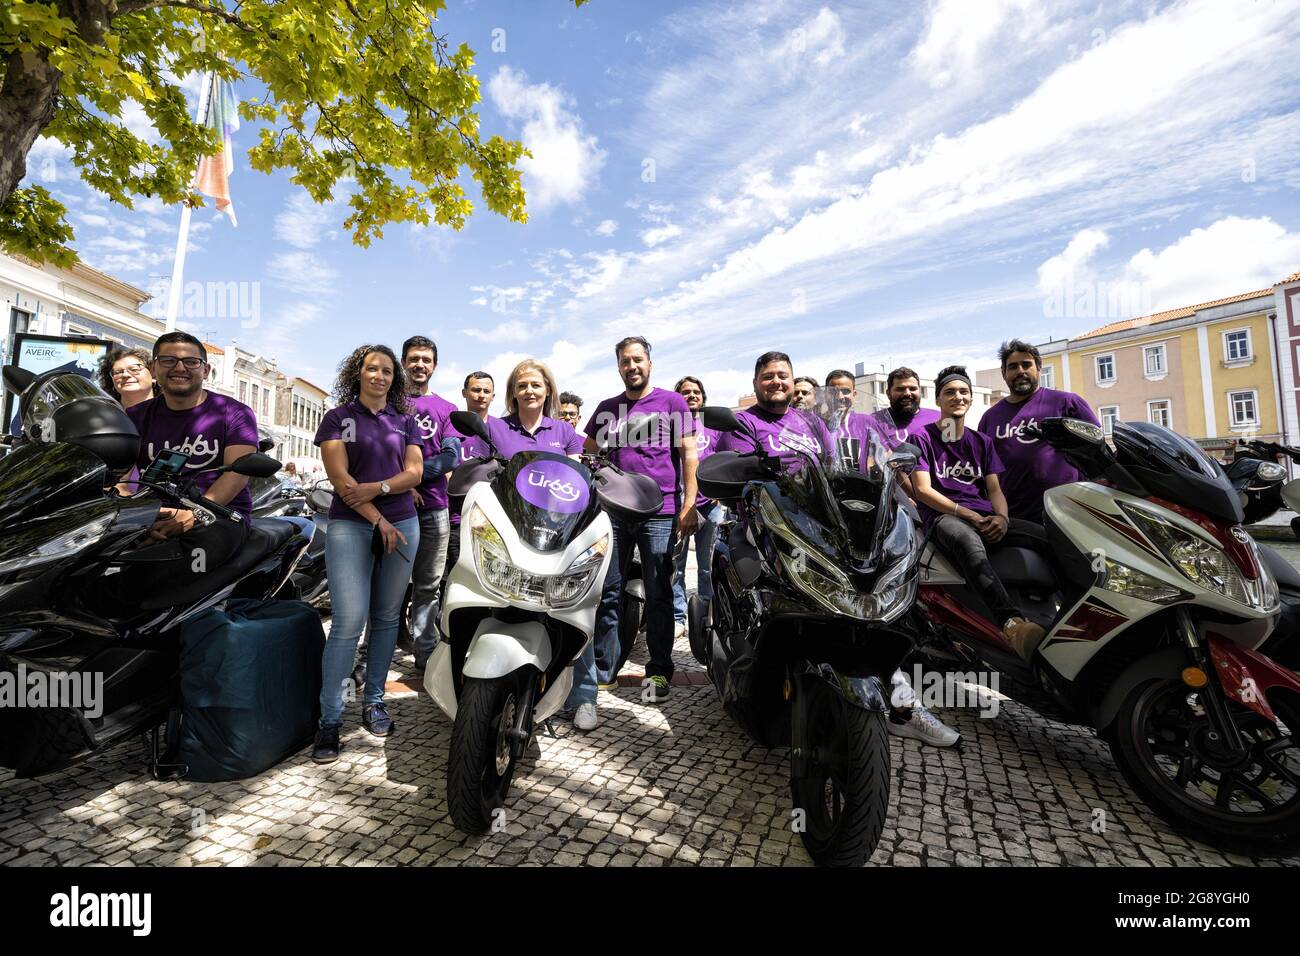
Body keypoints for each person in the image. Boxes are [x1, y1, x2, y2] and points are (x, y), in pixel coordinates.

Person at [311, 345, 424, 763]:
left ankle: (375, 701)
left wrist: (379, 488)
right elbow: (342, 482)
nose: (379, 376)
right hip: (352, 525)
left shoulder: (404, 421)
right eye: (371, 369)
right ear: (356, 373)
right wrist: (379, 519)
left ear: (395, 378)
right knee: (347, 622)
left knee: (386, 619)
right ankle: (329, 720)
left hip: (402, 525)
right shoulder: (338, 419)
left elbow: (415, 472)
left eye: (387, 371)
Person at [584, 336, 699, 703]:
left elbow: (690, 455)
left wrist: (690, 504)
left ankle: (659, 671)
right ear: (618, 366)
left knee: (659, 593)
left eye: (637, 360)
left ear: (649, 363)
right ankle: (606, 669)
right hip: (614, 514)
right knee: (609, 592)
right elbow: (588, 454)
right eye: (624, 361)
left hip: (660, 513)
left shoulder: (672, 402)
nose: (631, 366)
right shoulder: (607, 409)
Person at [911, 366, 1050, 660]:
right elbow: (923, 491)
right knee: (966, 542)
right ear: (937, 400)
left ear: (971, 400)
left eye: (964, 392)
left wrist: (1002, 518)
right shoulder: (922, 439)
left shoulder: (982, 442)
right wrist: (968, 515)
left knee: (1046, 537)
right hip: (944, 519)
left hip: (985, 515)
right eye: (949, 392)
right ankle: (1012, 625)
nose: (957, 397)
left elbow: (995, 489)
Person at [115, 332, 259, 597]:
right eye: (168, 360)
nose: (180, 367)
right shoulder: (135, 416)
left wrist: (196, 514)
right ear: (154, 369)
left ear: (206, 370)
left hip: (220, 515)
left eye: (191, 362)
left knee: (176, 570)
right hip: (151, 514)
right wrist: (130, 514)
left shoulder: (234, 412)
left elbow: (238, 472)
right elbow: (120, 479)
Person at [977, 339, 1100, 524]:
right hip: (1016, 519)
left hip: (1070, 512)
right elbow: (984, 470)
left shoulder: (1067, 403)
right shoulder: (990, 418)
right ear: (1004, 373)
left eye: (1026, 365)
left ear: (1039, 368)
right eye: (1012, 367)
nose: (1020, 371)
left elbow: (1096, 446)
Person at [402, 336, 462, 672]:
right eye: (413, 358)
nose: (419, 364)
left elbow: (450, 456)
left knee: (428, 586)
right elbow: (380, 454)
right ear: (404, 362)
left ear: (434, 365)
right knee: (386, 589)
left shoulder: (447, 409)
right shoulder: (389, 403)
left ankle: (424, 655)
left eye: (426, 359)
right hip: (393, 509)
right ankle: (372, 655)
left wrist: (411, 477)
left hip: (435, 509)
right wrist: (400, 487)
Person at [717, 352, 833, 469]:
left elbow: (832, 463)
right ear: (755, 384)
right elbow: (742, 478)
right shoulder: (741, 426)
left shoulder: (813, 421)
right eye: (768, 377)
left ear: (792, 382)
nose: (777, 382)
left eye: (783, 376)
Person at [670, 376, 720, 639]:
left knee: (707, 566)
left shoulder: (714, 427)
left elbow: (727, 459)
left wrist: (720, 495)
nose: (691, 396)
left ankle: (706, 616)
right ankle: (678, 617)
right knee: (675, 567)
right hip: (677, 507)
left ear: (703, 397)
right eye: (685, 392)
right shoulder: (668, 426)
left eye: (696, 392)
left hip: (710, 507)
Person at [443, 371, 496, 585]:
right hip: (457, 519)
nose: (481, 395)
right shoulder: (451, 428)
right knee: (454, 580)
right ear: (464, 393)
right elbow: (446, 469)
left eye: (486, 391)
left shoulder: (502, 430)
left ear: (493, 395)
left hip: (492, 524)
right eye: (475, 390)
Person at [870, 366, 940, 450]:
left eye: (912, 389)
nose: (907, 393)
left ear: (920, 391)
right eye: (900, 389)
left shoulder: (938, 418)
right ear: (888, 393)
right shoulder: (873, 422)